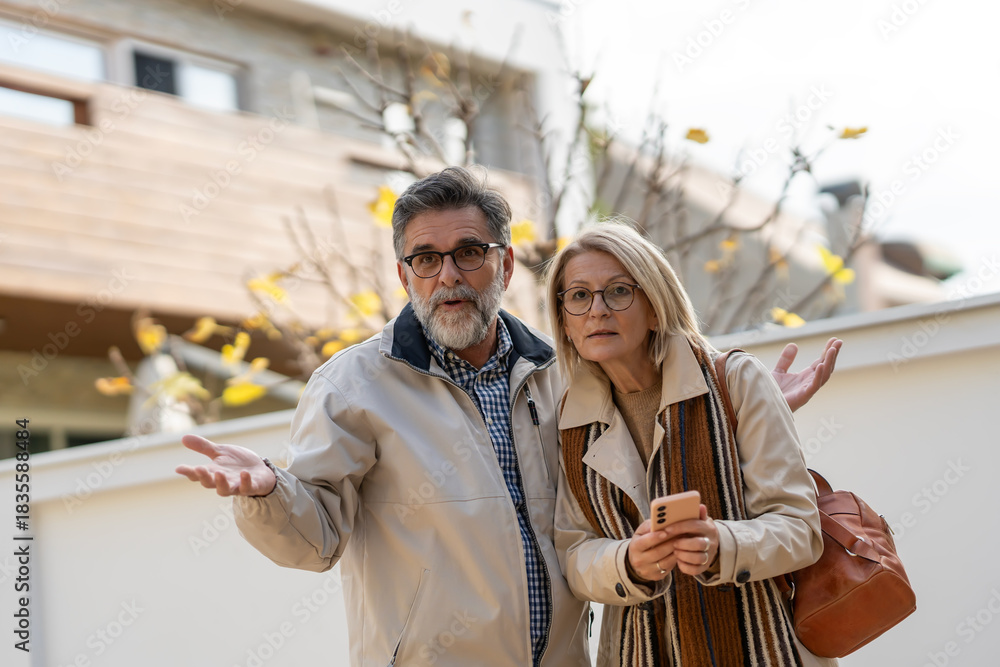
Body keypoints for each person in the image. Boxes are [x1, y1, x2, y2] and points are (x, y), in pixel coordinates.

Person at [175, 168, 841, 666]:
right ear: (404, 273)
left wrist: (742, 411)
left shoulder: (568, 374)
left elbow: (633, 477)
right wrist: (267, 490)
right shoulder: (353, 385)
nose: (448, 275)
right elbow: (313, 537)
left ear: (506, 261)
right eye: (426, 259)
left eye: (469, 251)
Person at [547, 221, 838, 666]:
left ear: (655, 307)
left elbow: (799, 527)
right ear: (565, 321)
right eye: (579, 295)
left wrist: (719, 544)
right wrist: (628, 562)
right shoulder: (568, 421)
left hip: (761, 645)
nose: (596, 310)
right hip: (639, 652)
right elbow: (574, 551)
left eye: (618, 291)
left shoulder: (737, 380)